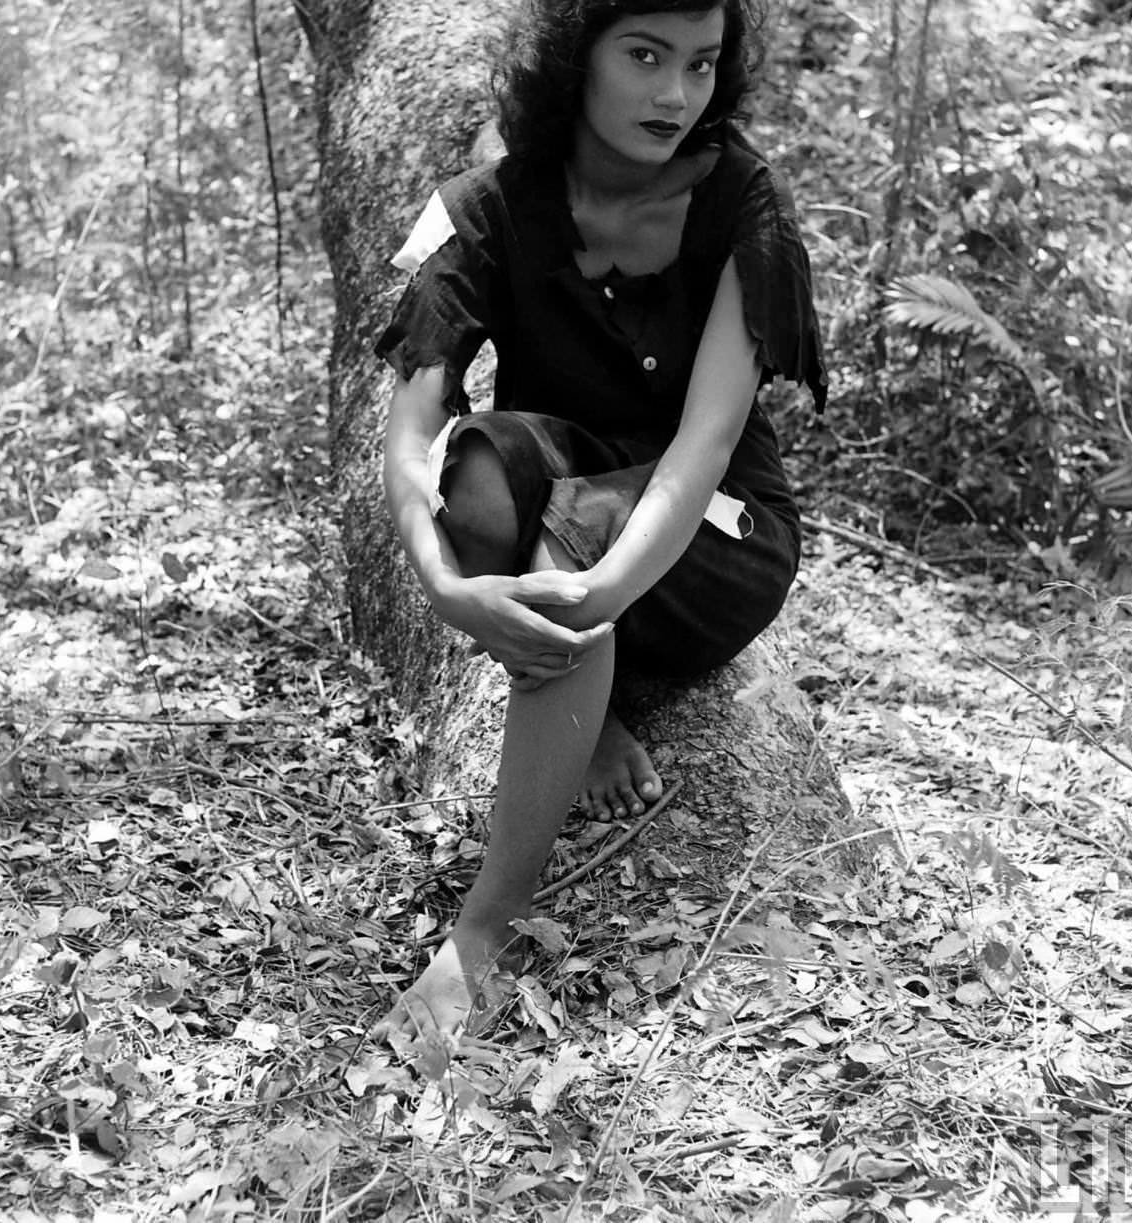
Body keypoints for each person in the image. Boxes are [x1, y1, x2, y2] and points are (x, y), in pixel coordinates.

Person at [377, 0, 827, 1038]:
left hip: (717, 532)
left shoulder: (742, 205)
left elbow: (704, 447)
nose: (675, 94)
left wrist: (596, 593)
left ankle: (483, 929)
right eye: (643, 57)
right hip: (571, 487)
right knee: (475, 475)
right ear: (574, 59)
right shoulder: (488, 206)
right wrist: (441, 580)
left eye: (701, 64)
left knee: (570, 530)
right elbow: (412, 434)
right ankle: (588, 700)